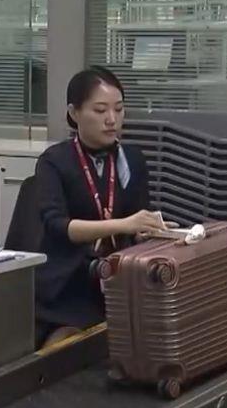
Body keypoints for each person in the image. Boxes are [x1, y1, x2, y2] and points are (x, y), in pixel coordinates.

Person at [33, 67, 165, 349]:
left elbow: (137, 223)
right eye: (100, 110)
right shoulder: (54, 161)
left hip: (118, 277)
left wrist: (149, 230)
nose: (112, 120)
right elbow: (58, 226)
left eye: (119, 109)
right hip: (69, 281)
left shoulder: (131, 159)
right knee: (69, 348)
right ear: (74, 113)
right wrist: (124, 224)